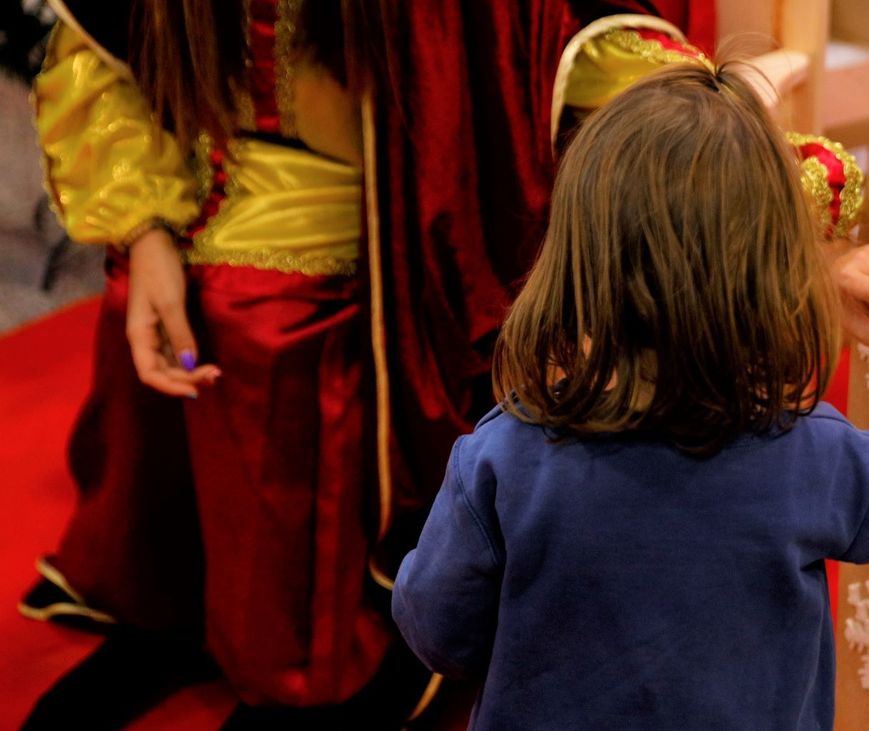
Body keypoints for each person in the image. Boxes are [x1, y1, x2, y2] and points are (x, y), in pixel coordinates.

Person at [20, 1, 717, 728]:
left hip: (371, 201)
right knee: (150, 287)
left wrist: (766, 176)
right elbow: (104, 51)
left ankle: (304, 657)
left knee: (260, 308)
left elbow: (567, 43)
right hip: (199, 158)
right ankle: (166, 598)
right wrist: (146, 231)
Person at [390, 62, 869, 729]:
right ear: (774, 271)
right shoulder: (809, 452)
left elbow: (436, 627)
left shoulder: (505, 455)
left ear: (576, 261)